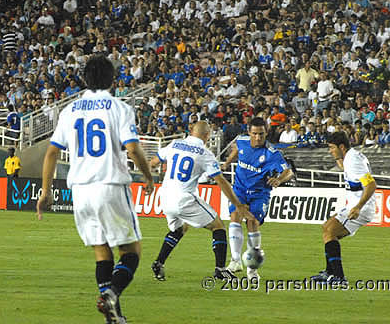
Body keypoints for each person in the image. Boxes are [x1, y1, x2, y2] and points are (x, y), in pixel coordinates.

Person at [36, 55, 154, 324]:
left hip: (80, 191)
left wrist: (46, 191)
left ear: (84, 79)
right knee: (131, 252)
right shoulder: (119, 108)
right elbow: (133, 148)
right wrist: (148, 177)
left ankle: (114, 318)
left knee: (102, 254)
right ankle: (112, 295)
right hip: (110, 184)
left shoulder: (70, 110)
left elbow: (52, 152)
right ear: (113, 79)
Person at [150, 121, 254, 282]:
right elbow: (220, 181)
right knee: (218, 225)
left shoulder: (175, 144)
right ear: (207, 135)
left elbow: (153, 162)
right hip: (183, 198)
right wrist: (238, 204)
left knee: (179, 229)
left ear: (191, 131)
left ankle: (158, 262)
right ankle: (220, 270)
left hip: (164, 196)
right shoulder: (204, 153)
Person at [222, 117, 294, 279]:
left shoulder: (272, 153)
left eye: (261, 134)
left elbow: (288, 171)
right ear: (249, 132)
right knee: (235, 216)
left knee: (252, 222)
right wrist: (227, 163)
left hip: (259, 193)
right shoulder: (242, 141)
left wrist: (279, 179)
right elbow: (236, 150)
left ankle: (252, 269)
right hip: (239, 190)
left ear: (266, 132)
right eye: (254, 134)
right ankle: (235, 260)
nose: (258, 137)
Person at [310, 132, 376, 284]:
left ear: (341, 147)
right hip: (354, 205)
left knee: (330, 232)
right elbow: (349, 171)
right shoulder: (350, 157)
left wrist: (358, 207)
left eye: (332, 148)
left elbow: (371, 185)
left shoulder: (353, 161)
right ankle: (329, 272)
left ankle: (339, 277)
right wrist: (339, 159)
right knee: (327, 228)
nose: (330, 151)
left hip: (361, 208)